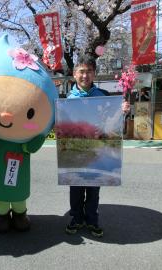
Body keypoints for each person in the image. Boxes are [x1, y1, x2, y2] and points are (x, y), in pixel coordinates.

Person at [66, 56, 109, 238]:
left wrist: (121, 110)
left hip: (97, 149)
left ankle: (92, 220)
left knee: (93, 188)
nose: (85, 75)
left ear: (94, 74)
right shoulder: (67, 98)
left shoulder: (104, 96)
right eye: (81, 71)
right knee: (76, 188)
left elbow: (112, 123)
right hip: (75, 150)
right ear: (74, 74)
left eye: (89, 71)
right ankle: (76, 218)